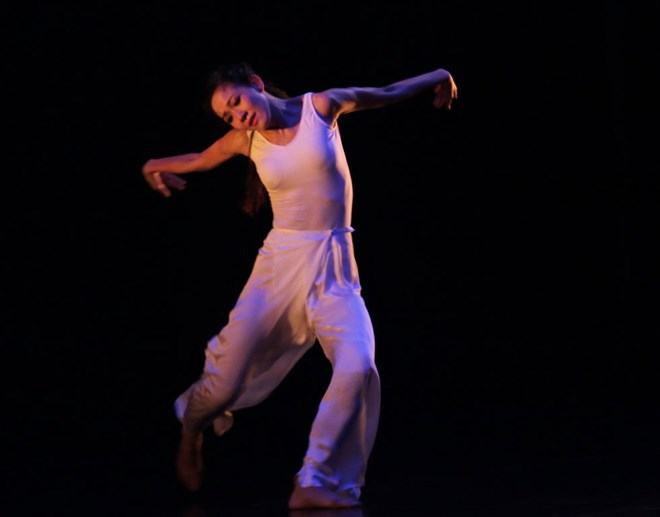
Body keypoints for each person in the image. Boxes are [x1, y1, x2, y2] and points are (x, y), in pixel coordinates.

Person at [141, 62, 458, 509]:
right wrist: (152, 166)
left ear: (255, 84)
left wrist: (438, 76)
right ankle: (192, 430)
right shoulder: (245, 140)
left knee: (358, 365)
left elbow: (385, 92)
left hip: (335, 268)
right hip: (279, 269)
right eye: (227, 116)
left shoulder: (320, 108)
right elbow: (197, 160)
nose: (237, 116)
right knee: (225, 385)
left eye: (236, 102)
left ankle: (316, 479)